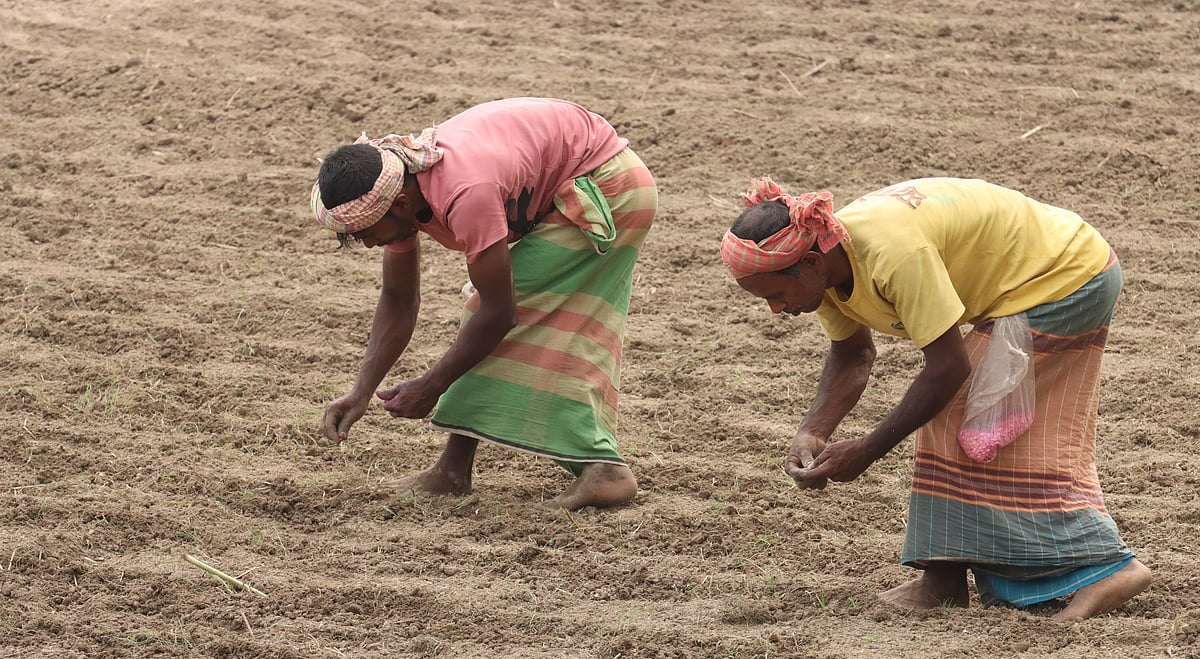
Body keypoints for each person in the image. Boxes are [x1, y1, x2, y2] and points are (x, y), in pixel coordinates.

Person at [719, 176, 1151, 621]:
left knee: (959, 412)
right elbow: (853, 355)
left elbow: (948, 368)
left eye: (775, 294)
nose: (775, 309)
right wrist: (813, 431)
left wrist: (867, 450)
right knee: (971, 421)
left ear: (810, 262)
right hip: (1028, 282)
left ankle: (1110, 567)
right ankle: (945, 580)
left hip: (1066, 276)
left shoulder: (893, 253)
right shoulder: (826, 270)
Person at [311, 97, 658, 510]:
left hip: (609, 187)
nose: (368, 242)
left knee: (500, 317)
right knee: (496, 319)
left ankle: (605, 470)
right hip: (574, 181)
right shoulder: (398, 182)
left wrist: (431, 386)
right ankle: (454, 470)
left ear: (400, 203)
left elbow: (499, 314)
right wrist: (361, 390)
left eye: (367, 231)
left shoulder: (465, 193)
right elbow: (400, 298)